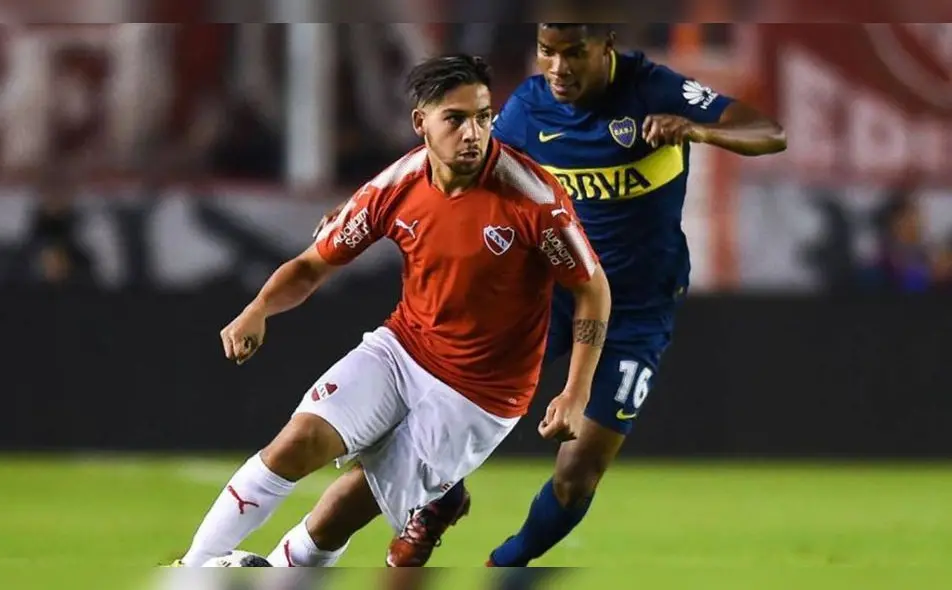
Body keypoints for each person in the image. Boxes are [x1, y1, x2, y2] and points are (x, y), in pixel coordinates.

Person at [171, 53, 611, 568]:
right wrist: (259, 309)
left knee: (343, 509)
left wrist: (575, 393)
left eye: (483, 116)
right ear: (420, 122)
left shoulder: (532, 198)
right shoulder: (396, 186)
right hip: (403, 350)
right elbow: (313, 265)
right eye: (456, 118)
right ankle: (190, 572)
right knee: (296, 442)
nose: (473, 133)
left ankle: (284, 572)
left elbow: (592, 289)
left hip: (479, 394)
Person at [381, 23, 787, 567]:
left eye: (573, 53)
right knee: (451, 408)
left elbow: (769, 131)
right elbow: (460, 166)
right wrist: (371, 206)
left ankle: (504, 567)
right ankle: (439, 500)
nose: (557, 68)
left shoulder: (656, 90)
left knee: (577, 474)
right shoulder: (529, 107)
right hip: (550, 292)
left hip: (638, 308)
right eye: (547, 52)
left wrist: (696, 130)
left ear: (606, 46)